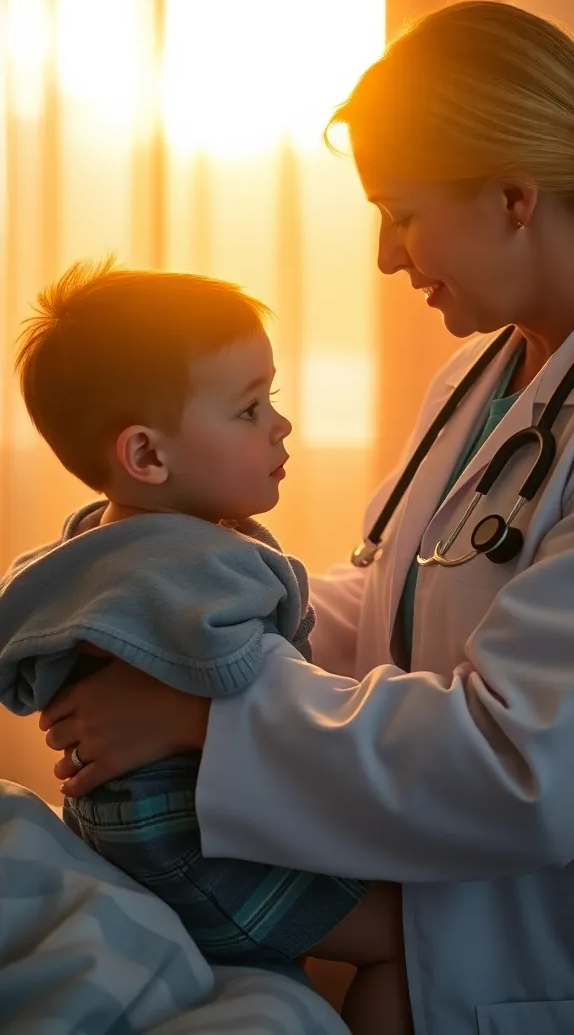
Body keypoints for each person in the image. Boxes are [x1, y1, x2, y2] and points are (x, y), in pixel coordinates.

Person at [41, 2, 574, 1035]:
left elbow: (533, 766)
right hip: (461, 919)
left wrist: (204, 713)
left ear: (514, 196)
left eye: (402, 212)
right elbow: (389, 600)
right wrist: (177, 632)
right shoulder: (484, 372)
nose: (387, 256)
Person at [0, 262, 411, 1035]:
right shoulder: (206, 568)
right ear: (148, 457)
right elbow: (257, 684)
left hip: (124, 834)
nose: (280, 426)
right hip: (196, 857)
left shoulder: (92, 544)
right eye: (250, 408)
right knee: (409, 940)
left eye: (273, 399)